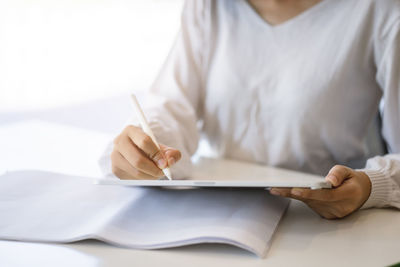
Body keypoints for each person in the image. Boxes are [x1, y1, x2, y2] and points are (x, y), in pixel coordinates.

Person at [104, 0, 400, 219]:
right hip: (216, 213)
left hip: (322, 221)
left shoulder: (381, 12)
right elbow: (171, 105)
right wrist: (146, 148)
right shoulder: (208, 7)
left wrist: (371, 185)